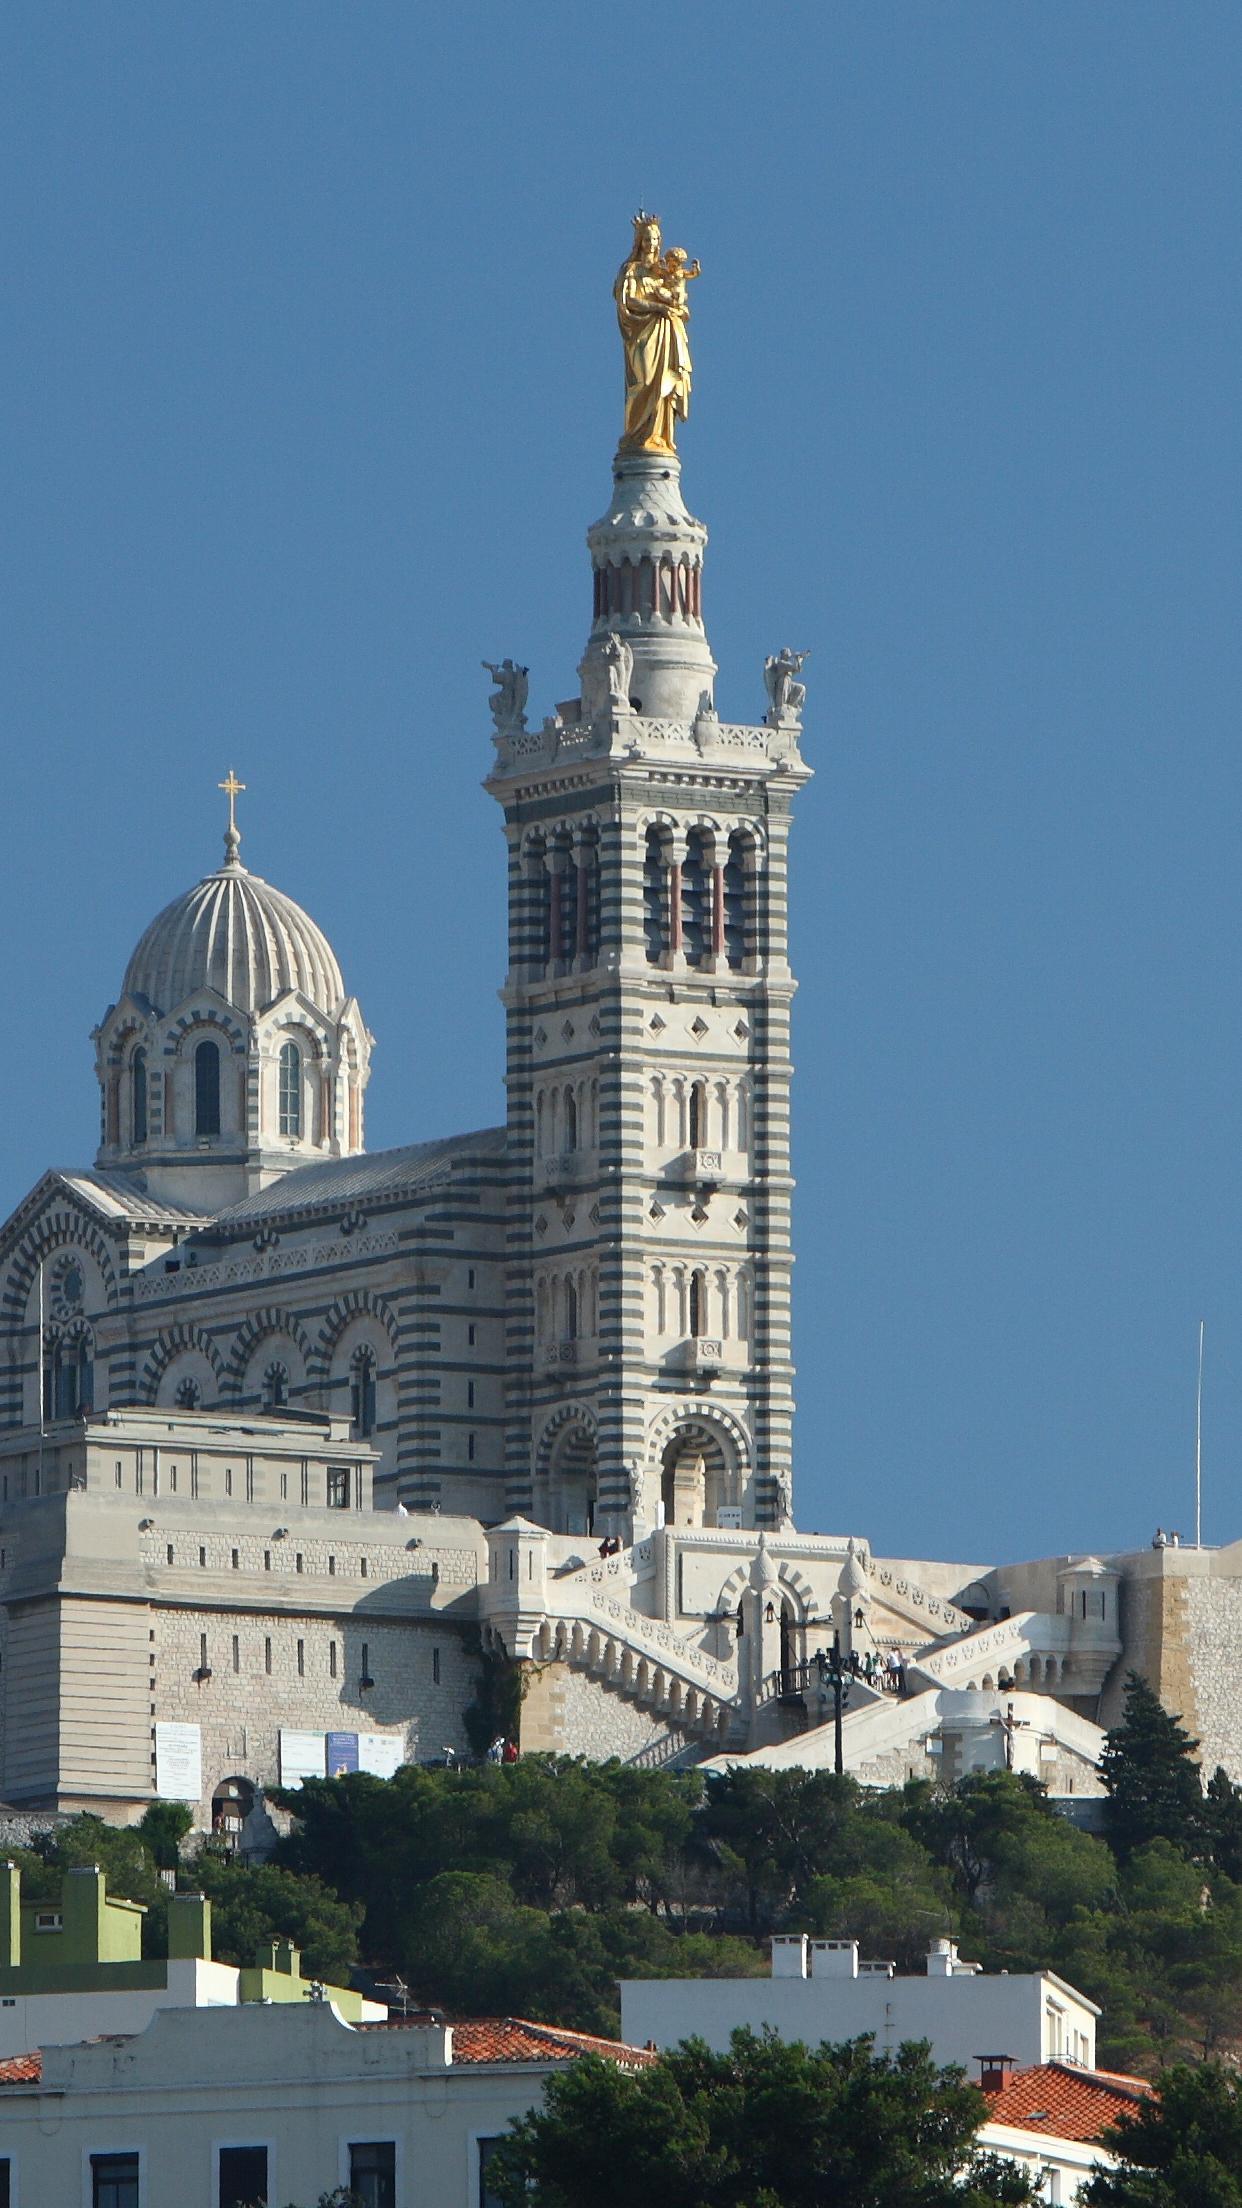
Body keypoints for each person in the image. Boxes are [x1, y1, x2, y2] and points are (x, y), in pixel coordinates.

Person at [614, 212, 696, 455]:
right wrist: (659, 306)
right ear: (640, 242)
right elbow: (629, 300)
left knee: (665, 383)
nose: (651, 244)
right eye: (647, 239)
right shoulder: (631, 270)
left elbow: (679, 294)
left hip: (667, 332)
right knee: (646, 380)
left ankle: (660, 435)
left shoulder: (664, 271)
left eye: (655, 239)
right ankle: (638, 434)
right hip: (644, 334)